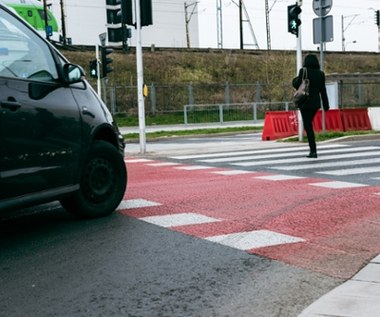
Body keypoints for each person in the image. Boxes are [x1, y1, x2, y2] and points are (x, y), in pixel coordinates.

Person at [292, 54, 329, 158]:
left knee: (308, 126)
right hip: (316, 103)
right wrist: (326, 105)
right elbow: (323, 90)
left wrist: (294, 80)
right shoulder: (321, 74)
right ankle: (313, 150)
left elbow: (297, 84)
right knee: (309, 124)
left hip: (305, 102)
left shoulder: (303, 71)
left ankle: (313, 151)